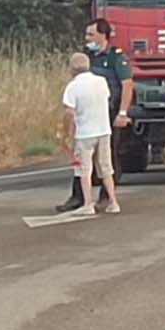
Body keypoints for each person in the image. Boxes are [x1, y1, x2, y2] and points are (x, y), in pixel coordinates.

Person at [56, 18, 135, 213]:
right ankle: (79, 197)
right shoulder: (87, 58)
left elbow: (127, 85)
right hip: (87, 115)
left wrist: (123, 113)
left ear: (103, 35)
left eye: (91, 34)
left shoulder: (116, 58)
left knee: (109, 158)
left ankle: (106, 197)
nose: (87, 38)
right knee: (82, 159)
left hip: (108, 113)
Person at [61, 53, 119, 214]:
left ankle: (88, 203)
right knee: (106, 167)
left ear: (72, 69)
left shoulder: (72, 87)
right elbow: (106, 100)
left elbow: (69, 113)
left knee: (84, 170)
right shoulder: (101, 82)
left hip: (84, 133)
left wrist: (67, 133)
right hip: (104, 130)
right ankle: (113, 201)